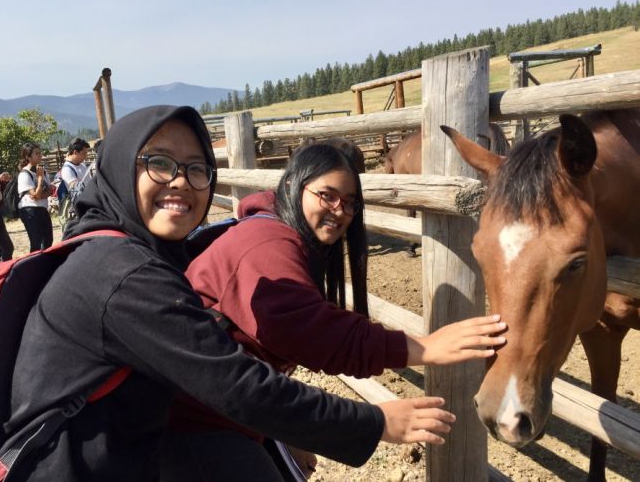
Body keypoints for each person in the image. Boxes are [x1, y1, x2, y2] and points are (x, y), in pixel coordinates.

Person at [4, 105, 457, 481]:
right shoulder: (123, 274)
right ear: (121, 167)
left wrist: (281, 435)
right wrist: (375, 420)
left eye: (196, 169)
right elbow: (237, 385)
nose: (180, 181)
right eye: (159, 163)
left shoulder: (137, 252)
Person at [161, 142, 507, 480]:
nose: (340, 210)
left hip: (214, 408)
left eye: (351, 203)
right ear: (294, 186)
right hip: (188, 424)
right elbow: (310, 331)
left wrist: (282, 436)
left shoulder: (274, 231)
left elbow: (256, 356)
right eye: (327, 195)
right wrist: (423, 348)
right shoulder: (268, 241)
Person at [17, 142, 53, 251]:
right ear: (28, 157)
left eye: (40, 153)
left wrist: (39, 194)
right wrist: (40, 179)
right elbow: (37, 195)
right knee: (36, 241)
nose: (40, 156)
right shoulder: (24, 174)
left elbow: (50, 191)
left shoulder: (42, 171)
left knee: (48, 240)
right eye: (36, 154)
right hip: (30, 210)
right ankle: (34, 265)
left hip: (42, 208)